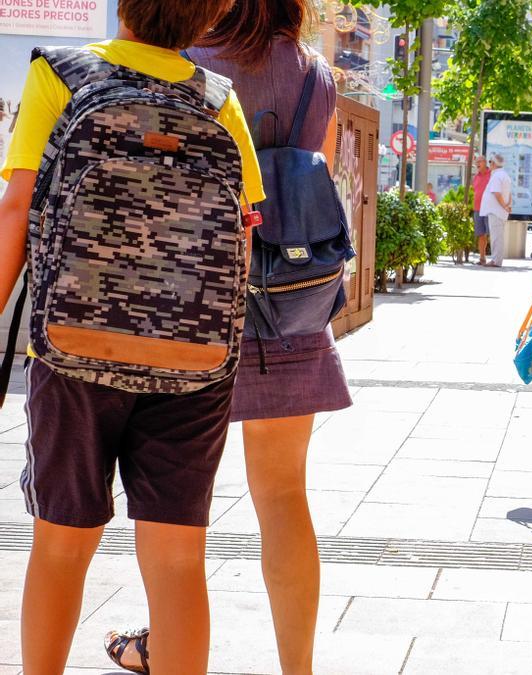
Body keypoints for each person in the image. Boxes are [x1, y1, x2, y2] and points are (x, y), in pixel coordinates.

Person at [0, 0, 265, 672]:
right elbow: (242, 232)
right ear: (211, 19)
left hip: (73, 347)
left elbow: (16, 207)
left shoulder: (61, 75)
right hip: (194, 358)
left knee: (60, 543)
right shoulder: (220, 101)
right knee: (177, 559)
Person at [103, 1, 353, 673]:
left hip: (192, 297)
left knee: (174, 499)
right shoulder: (312, 75)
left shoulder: (178, 57)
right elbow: (308, 182)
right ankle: (296, 667)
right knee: (283, 493)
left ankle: (166, 644)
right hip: (290, 303)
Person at [480, 152, 512, 267]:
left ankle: (496, 261)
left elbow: (497, 193)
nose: (489, 164)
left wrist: (504, 206)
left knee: (496, 237)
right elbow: (508, 194)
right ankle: (496, 259)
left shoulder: (497, 176)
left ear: (493, 163)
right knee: (497, 236)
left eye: (490, 162)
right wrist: (508, 205)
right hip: (499, 211)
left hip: (496, 211)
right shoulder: (504, 175)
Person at [472, 155, 493, 264]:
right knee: (481, 234)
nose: (478, 164)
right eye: (476, 162)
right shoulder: (476, 177)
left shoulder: (492, 175)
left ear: (485, 163)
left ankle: (495, 258)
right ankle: (482, 258)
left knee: (492, 233)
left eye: (480, 161)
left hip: (489, 209)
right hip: (477, 208)